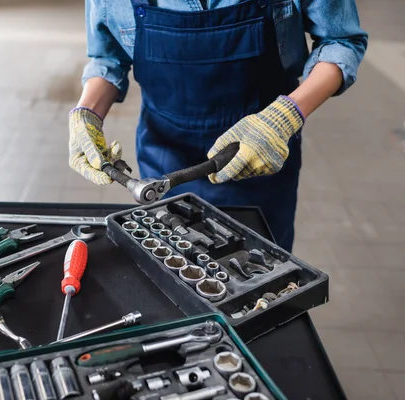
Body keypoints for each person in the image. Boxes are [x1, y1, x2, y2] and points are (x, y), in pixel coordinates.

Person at [68, 0, 367, 252]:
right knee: (174, 281)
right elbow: (107, 58)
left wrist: (286, 116)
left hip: (261, 156)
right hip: (164, 154)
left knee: (262, 288)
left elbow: (341, 40)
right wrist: (88, 113)